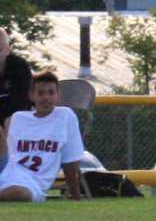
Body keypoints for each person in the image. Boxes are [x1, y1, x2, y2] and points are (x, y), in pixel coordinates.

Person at [1, 70, 90, 203]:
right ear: (31, 96)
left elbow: (70, 161)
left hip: (33, 182)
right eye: (41, 93)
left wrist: (76, 198)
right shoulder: (18, 118)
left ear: (58, 95)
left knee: (19, 193)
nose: (46, 98)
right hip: (7, 172)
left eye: (51, 92)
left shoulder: (65, 116)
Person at [0, 26, 33, 128]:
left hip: (15, 118)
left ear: (8, 50)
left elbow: (21, 101)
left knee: (12, 120)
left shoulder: (19, 67)